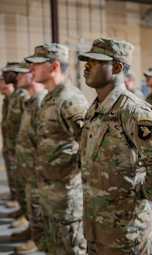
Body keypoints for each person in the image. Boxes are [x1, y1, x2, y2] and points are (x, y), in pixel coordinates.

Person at [78, 37, 152, 254]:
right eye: (86, 60)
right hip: (95, 226)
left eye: (95, 61)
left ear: (117, 67)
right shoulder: (95, 108)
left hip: (126, 230)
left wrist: (137, 195)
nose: (87, 66)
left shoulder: (134, 111)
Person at [25, 43, 89, 255]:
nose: (31, 69)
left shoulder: (69, 99)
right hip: (49, 192)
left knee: (71, 249)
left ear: (53, 66)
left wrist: (69, 177)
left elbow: (89, 145)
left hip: (65, 195)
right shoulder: (50, 97)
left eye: (36, 64)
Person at [11, 61, 48, 254]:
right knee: (31, 204)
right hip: (28, 166)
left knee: (36, 205)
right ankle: (33, 232)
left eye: (21, 73)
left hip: (37, 169)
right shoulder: (32, 101)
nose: (16, 78)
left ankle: (38, 239)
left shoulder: (41, 102)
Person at [1, 61, 30, 224]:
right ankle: (22, 208)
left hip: (22, 148)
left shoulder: (23, 96)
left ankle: (27, 216)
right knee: (17, 178)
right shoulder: (15, 96)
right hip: (13, 145)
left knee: (24, 182)